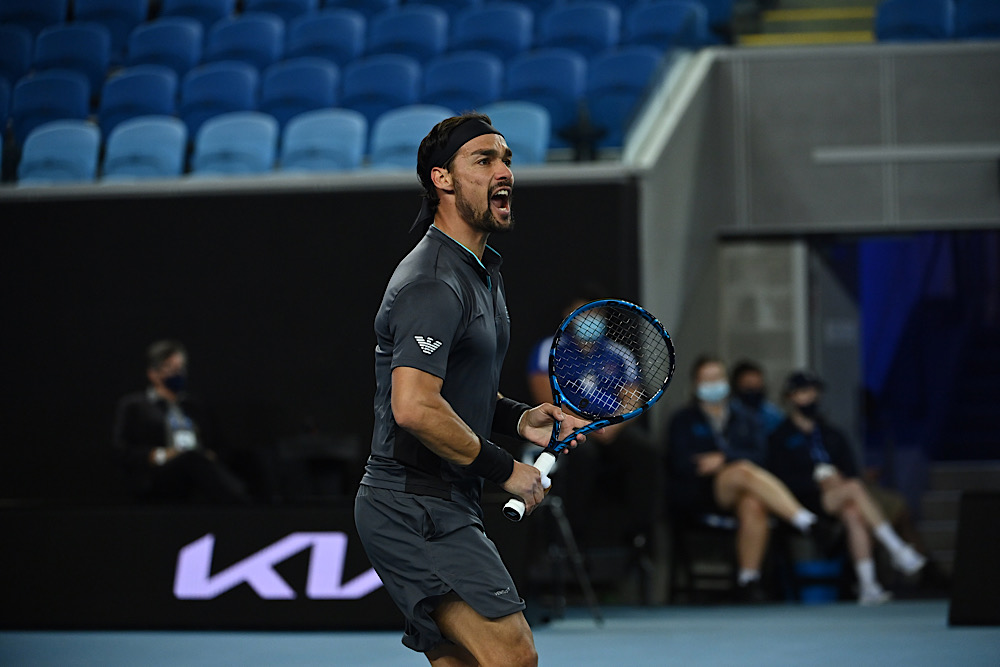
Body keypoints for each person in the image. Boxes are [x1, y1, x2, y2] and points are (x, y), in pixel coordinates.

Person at [354, 112, 593, 667]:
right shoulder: (434, 280)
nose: (502, 170)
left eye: (506, 159)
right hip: (412, 506)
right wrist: (507, 467)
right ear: (443, 180)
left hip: (438, 500)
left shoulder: (480, 271)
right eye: (483, 160)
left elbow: (454, 391)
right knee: (512, 655)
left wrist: (517, 419)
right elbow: (414, 406)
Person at [666, 355, 826, 602]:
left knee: (753, 502)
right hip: (700, 493)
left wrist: (723, 458)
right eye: (707, 379)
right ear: (695, 384)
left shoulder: (746, 418)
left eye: (717, 378)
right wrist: (726, 462)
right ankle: (804, 520)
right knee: (741, 468)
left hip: (744, 488)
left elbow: (762, 456)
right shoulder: (683, 420)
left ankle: (747, 580)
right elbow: (681, 462)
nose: (713, 384)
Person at [766, 370, 927, 606]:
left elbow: (852, 471)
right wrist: (817, 482)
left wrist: (836, 479)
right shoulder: (780, 437)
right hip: (803, 502)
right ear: (790, 397)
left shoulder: (833, 434)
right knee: (852, 491)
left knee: (852, 511)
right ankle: (897, 549)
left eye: (812, 392)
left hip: (839, 496)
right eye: (802, 393)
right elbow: (780, 481)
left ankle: (868, 586)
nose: (809, 398)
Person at [112, 339, 250, 505]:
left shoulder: (195, 406)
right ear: (153, 373)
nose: (177, 373)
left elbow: (220, 445)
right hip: (158, 474)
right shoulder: (135, 406)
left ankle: (251, 506)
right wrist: (162, 454)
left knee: (204, 459)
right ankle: (243, 505)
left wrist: (211, 455)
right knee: (190, 457)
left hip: (199, 470)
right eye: (170, 368)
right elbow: (122, 450)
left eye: (180, 367)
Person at [730, 359, 784, 436]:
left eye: (757, 384)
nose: (753, 388)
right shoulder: (729, 412)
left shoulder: (772, 413)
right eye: (748, 384)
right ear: (737, 385)